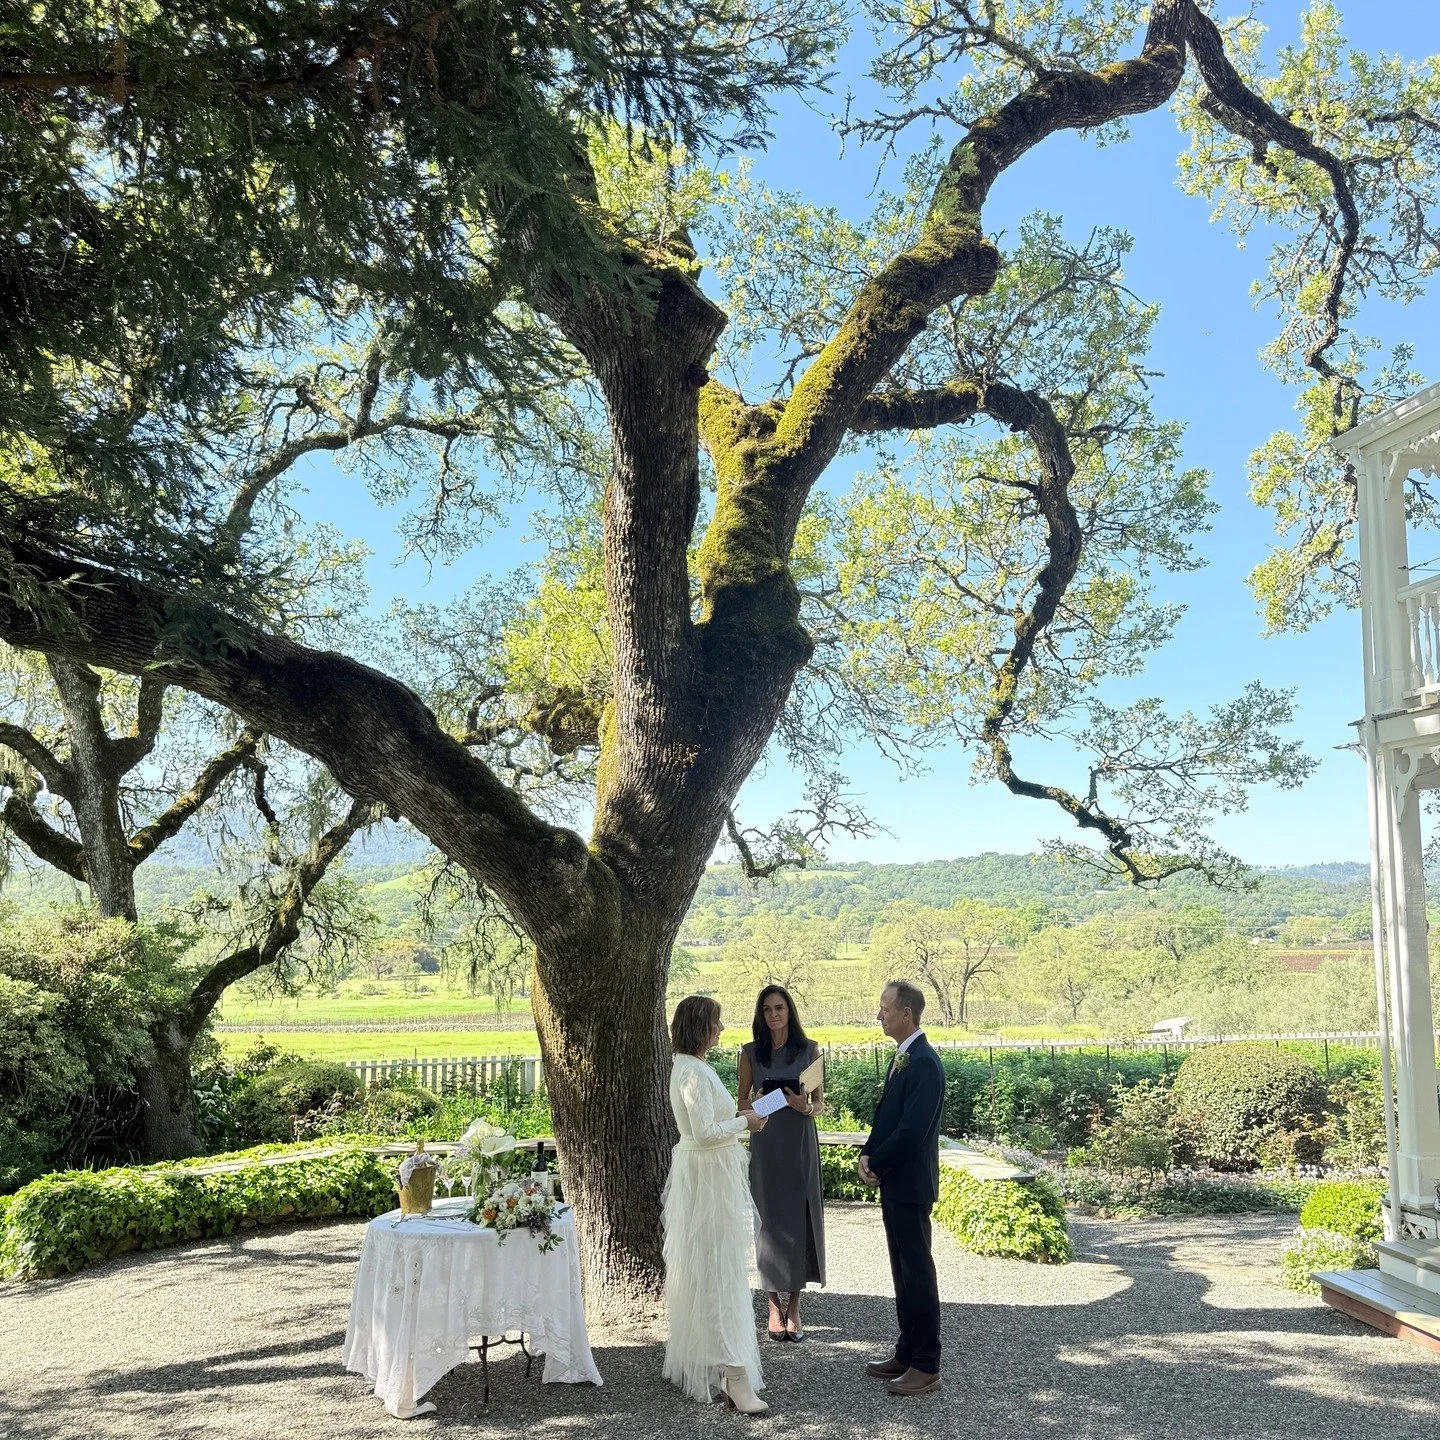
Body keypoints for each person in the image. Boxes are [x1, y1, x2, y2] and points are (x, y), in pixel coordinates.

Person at [662, 994, 771, 1415]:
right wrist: (746, 1121)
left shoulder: (694, 1068)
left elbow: (711, 1121)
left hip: (708, 1174)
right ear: (700, 1027)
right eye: (717, 1023)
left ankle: (719, 1362)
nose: (722, 1029)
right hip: (706, 1179)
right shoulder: (690, 1072)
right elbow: (706, 1132)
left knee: (714, 1265)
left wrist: (746, 1112)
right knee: (717, 1269)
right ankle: (731, 1371)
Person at [858, 979, 945, 1397]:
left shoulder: (925, 1063)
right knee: (901, 1271)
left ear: (905, 1014)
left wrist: (878, 1161)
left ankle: (927, 1363)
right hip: (896, 1182)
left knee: (917, 1272)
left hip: (911, 1185)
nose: (880, 1015)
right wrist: (868, 1153)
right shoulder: (903, 1057)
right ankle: (907, 1351)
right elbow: (887, 1118)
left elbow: (912, 1131)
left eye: (884, 1008)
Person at [737, 985, 826, 1342]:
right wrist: (765, 1102)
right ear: (761, 1015)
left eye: (780, 1008)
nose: (774, 1014)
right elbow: (741, 1104)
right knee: (768, 1222)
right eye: (767, 1009)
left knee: (800, 1219)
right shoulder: (749, 1053)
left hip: (800, 1143)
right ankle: (773, 1305)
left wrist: (804, 1106)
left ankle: (795, 1306)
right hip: (767, 1143)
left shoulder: (810, 1050)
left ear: (790, 1011)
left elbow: (819, 1104)